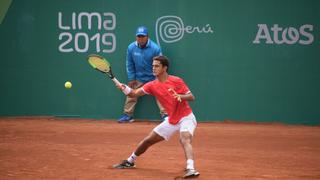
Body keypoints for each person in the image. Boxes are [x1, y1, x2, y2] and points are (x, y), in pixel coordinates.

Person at [113, 56, 200, 178]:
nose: (153, 68)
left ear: (164, 68)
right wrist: (124, 88)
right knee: (148, 140)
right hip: (171, 120)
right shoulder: (152, 85)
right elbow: (133, 94)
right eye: (153, 66)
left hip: (186, 117)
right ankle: (130, 161)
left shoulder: (176, 80)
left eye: (157, 66)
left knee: (184, 139)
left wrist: (180, 96)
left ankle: (191, 168)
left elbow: (191, 96)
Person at [118, 26, 167, 123]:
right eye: (138, 36)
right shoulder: (131, 47)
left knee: (161, 94)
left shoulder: (155, 48)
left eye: (142, 36)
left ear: (147, 37)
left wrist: (159, 78)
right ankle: (128, 115)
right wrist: (131, 78)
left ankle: (165, 115)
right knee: (131, 94)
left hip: (153, 78)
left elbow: (160, 64)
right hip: (138, 78)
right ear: (136, 37)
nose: (140, 38)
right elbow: (129, 63)